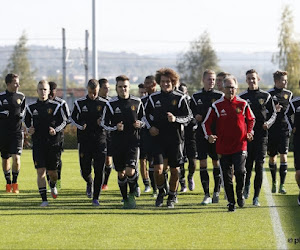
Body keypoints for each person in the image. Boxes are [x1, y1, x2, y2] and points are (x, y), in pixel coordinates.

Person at [202, 74, 255, 212]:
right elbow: (206, 122)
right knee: (226, 177)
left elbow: (251, 119)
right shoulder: (217, 105)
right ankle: (231, 202)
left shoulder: (243, 104)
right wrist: (209, 136)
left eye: (232, 87)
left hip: (240, 144)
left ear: (236, 88)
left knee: (240, 171)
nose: (230, 90)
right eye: (228, 87)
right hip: (223, 147)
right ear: (223, 88)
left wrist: (250, 132)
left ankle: (239, 195)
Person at [144, 68, 192, 208]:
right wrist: (150, 127)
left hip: (175, 140)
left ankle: (171, 196)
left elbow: (188, 117)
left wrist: (175, 119)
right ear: (159, 82)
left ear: (174, 82)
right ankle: (160, 192)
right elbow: (144, 116)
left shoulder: (180, 98)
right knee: (158, 169)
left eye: (168, 81)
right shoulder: (153, 98)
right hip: (158, 139)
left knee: (175, 170)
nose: (165, 84)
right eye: (163, 81)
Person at [102, 75, 144, 209]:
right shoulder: (111, 104)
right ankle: (125, 198)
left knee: (130, 171)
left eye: (125, 86)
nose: (123, 89)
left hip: (133, 143)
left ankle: (132, 193)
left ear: (129, 87)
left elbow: (145, 120)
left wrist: (140, 124)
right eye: (120, 87)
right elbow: (104, 123)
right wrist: (115, 127)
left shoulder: (137, 102)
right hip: (117, 143)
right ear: (116, 88)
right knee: (121, 173)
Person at [24, 80, 66, 207]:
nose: (43, 92)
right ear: (37, 91)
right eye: (40, 89)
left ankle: (53, 185)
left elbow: (64, 121)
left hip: (53, 144)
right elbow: (26, 122)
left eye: (45, 89)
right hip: (38, 144)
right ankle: (44, 200)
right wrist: (28, 129)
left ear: (49, 92)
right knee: (40, 171)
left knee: (53, 173)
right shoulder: (31, 108)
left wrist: (56, 130)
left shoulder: (56, 106)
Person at [239, 69, 277, 206]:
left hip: (262, 136)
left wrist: (268, 123)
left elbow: (273, 114)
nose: (251, 80)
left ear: (258, 79)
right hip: (247, 136)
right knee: (247, 166)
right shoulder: (242, 97)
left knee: (259, 165)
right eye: (249, 78)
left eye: (253, 78)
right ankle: (246, 186)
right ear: (246, 80)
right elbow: (238, 117)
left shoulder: (265, 96)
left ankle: (256, 197)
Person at [70, 79, 107, 206]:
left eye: (95, 92)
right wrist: (80, 125)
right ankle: (89, 182)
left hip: (100, 140)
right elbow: (72, 118)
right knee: (85, 170)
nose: (93, 95)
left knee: (99, 170)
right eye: (91, 92)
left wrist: (102, 122)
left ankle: (96, 197)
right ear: (87, 89)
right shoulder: (79, 103)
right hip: (84, 141)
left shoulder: (105, 103)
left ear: (99, 90)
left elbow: (110, 121)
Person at [190, 69, 224, 204]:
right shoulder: (195, 96)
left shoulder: (220, 95)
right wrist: (195, 117)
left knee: (216, 163)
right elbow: (190, 115)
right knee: (202, 163)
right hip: (201, 135)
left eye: (214, 80)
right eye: (209, 79)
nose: (212, 82)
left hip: (216, 135)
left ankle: (216, 191)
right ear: (203, 80)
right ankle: (206, 194)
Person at [267, 70, 293, 194]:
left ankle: (282, 185)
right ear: (276, 81)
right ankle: (274, 182)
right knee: (272, 158)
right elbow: (264, 112)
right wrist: (274, 111)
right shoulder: (268, 95)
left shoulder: (289, 94)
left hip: (284, 130)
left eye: (286, 80)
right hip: (272, 131)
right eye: (283, 80)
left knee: (284, 156)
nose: (286, 82)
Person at [0, 73, 25, 193]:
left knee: (17, 158)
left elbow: (25, 111)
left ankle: (15, 183)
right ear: (8, 83)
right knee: (6, 159)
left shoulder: (21, 96)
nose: (18, 85)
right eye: (15, 83)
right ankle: (8, 183)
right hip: (3, 133)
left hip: (17, 132)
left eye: (18, 82)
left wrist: (23, 117)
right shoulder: (1, 97)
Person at [47, 81, 70, 190]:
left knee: (57, 159)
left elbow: (68, 119)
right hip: (44, 136)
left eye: (53, 91)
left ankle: (58, 180)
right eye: (49, 91)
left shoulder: (61, 103)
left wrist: (58, 129)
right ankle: (50, 182)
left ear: (55, 91)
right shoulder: (43, 103)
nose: (51, 93)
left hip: (58, 136)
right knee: (45, 160)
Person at [178, 83, 198, 193]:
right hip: (179, 135)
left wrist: (194, 123)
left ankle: (190, 176)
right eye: (180, 91)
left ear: (187, 91)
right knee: (180, 162)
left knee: (193, 161)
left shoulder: (191, 102)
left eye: (183, 91)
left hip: (191, 135)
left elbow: (195, 115)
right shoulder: (177, 102)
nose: (182, 93)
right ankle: (183, 183)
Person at [139, 76, 158, 195]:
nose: (146, 85)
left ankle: (159, 186)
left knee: (156, 163)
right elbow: (142, 116)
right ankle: (151, 186)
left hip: (159, 134)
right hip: (146, 134)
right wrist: (149, 127)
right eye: (145, 83)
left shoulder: (159, 97)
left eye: (148, 83)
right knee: (145, 160)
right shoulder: (143, 100)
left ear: (154, 84)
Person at [285, 80, 300, 205]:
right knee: (299, 173)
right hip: (298, 141)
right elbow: (286, 115)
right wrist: (292, 127)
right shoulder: (295, 102)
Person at [98, 78, 113, 191]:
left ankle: (105, 183)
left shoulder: (111, 102)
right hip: (96, 136)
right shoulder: (94, 101)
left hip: (108, 134)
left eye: (108, 87)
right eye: (105, 88)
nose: (107, 90)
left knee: (108, 160)